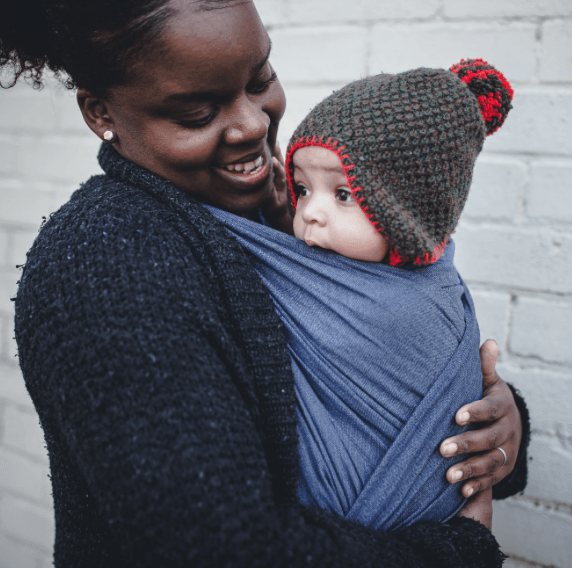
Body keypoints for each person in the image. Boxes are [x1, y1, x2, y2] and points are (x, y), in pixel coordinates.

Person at [2, 1, 529, 566]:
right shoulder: (106, 257)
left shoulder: (284, 205)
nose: (254, 124)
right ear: (100, 112)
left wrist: (495, 427)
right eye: (198, 111)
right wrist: (457, 553)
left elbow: (379, 358)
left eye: (260, 80)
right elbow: (217, 544)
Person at [205, 60, 513, 531]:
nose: (310, 213)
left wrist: (511, 417)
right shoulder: (294, 262)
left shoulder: (425, 300)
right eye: (303, 189)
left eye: (344, 194)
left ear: (408, 213)